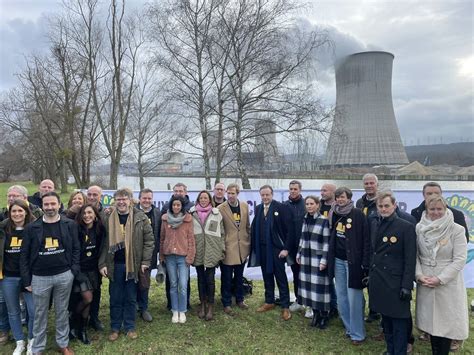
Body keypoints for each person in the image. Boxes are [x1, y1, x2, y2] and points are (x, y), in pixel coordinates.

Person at [20, 192, 80, 355]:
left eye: (53, 204)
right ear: (42, 206)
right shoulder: (32, 228)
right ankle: (38, 348)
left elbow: (76, 248)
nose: (50, 207)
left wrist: (72, 271)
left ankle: (62, 344)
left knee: (62, 311)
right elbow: (24, 255)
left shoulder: (70, 224)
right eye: (46, 204)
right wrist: (27, 280)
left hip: (64, 275)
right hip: (39, 277)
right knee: (40, 314)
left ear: (59, 205)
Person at [415, 195, 468, 355]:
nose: (436, 212)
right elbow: (415, 255)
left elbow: (459, 259)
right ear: (426, 210)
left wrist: (440, 278)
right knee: (431, 324)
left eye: (440, 209)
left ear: (445, 209)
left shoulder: (457, 230)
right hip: (426, 280)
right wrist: (419, 275)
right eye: (432, 209)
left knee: (445, 325)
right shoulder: (419, 228)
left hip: (447, 283)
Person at [99, 189, 154, 341]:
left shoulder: (140, 217)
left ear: (131, 200)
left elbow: (149, 241)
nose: (121, 202)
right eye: (118, 199)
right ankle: (115, 327)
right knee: (115, 298)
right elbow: (103, 243)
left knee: (130, 298)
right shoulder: (107, 216)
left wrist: (145, 262)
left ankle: (130, 326)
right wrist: (102, 263)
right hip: (114, 265)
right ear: (114, 201)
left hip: (133, 266)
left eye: (124, 199)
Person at [368, 191, 416, 355]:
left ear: (394, 205)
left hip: (396, 283)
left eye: (387, 205)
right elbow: (373, 252)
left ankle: (400, 352)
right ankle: (390, 350)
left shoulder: (406, 226)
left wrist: (407, 285)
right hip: (379, 280)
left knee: (399, 324)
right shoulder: (375, 223)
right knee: (386, 322)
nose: (383, 209)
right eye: (380, 206)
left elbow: (410, 259)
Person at [327, 187, 370, 345]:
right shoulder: (334, 212)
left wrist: (365, 262)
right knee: (342, 296)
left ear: (349, 198)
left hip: (353, 262)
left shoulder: (358, 214)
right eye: (337, 197)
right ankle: (349, 328)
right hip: (337, 260)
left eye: (342, 197)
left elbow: (366, 239)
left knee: (354, 298)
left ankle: (358, 334)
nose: (340, 199)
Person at [249, 185, 294, 321]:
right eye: (262, 195)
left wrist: (286, 248)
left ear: (272, 194)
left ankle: (285, 306)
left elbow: (289, 230)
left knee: (280, 277)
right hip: (262, 249)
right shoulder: (258, 208)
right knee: (267, 275)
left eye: (267, 195)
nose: (265, 197)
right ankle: (269, 301)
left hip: (277, 250)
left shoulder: (281, 208)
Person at [0, 199, 36, 355]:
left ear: (26, 212)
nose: (17, 214)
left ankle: (32, 341)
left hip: (29, 277)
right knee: (13, 311)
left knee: (33, 311)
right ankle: (19, 341)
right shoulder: (2, 229)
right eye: (14, 211)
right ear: (9, 213)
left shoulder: (34, 228)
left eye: (20, 211)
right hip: (9, 277)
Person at [70, 204, 105, 344]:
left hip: (94, 270)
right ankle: (72, 320)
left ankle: (82, 330)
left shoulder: (100, 229)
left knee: (89, 301)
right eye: (84, 213)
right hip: (80, 270)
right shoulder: (76, 229)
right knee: (87, 298)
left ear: (95, 214)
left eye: (90, 213)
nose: (87, 216)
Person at [296, 196, 331, 329]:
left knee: (320, 289)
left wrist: (324, 260)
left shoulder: (323, 221)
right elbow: (302, 238)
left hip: (318, 259)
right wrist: (299, 252)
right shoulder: (305, 219)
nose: (309, 206)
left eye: (312, 204)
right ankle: (315, 314)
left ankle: (324, 316)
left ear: (317, 205)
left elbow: (327, 243)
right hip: (306, 257)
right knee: (309, 288)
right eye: (307, 204)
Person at [159, 195, 195, 324]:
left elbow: (191, 239)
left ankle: (182, 310)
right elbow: (162, 238)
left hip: (183, 257)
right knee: (173, 284)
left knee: (183, 285)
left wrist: (190, 256)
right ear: (171, 206)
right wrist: (162, 255)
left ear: (182, 207)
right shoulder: (165, 219)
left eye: (178, 205)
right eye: (174, 205)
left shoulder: (188, 219)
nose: (176, 207)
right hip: (169, 257)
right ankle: (175, 310)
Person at [190, 191, 225, 321]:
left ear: (210, 199)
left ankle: (210, 305)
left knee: (210, 280)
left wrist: (222, 250)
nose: (203, 200)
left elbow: (222, 233)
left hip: (212, 250)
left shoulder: (216, 213)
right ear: (198, 200)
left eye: (206, 198)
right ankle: (202, 304)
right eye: (201, 198)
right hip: (198, 250)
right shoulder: (192, 213)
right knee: (200, 279)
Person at [218, 183, 251, 315]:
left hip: (241, 248)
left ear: (238, 193)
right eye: (229, 193)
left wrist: (248, 243)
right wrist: (221, 247)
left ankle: (240, 299)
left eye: (233, 193)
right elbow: (219, 230)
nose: (230, 196)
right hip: (227, 248)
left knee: (239, 276)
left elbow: (247, 226)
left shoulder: (244, 206)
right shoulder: (220, 208)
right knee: (226, 278)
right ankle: (226, 302)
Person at [355, 173, 380, 323]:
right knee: (362, 281)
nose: (369, 186)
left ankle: (376, 311)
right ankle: (366, 310)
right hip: (361, 246)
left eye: (372, 183)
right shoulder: (360, 202)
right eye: (366, 183)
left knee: (375, 283)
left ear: (377, 184)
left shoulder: (382, 202)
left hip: (376, 248)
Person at [135, 188, 161, 322]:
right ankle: (133, 306)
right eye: (144, 198)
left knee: (145, 282)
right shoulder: (133, 211)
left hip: (149, 254)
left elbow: (158, 235)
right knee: (133, 281)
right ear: (139, 198)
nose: (147, 201)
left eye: (149, 198)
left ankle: (144, 308)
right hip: (133, 254)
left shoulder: (156, 213)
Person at [283, 180, 307, 316]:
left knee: (308, 275)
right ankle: (299, 300)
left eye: (295, 189)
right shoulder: (284, 206)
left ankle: (310, 303)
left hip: (306, 247)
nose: (293, 191)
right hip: (292, 248)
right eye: (291, 189)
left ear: (300, 190)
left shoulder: (307, 204)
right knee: (296, 274)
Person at [85, 185, 104, 331]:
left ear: (100, 196)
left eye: (95, 195)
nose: (92, 197)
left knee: (96, 290)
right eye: (89, 194)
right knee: (83, 293)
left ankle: (94, 317)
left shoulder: (105, 213)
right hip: (82, 261)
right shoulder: (81, 211)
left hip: (98, 260)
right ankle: (81, 318)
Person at [319, 183, 338, 318]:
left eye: (325, 190)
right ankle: (324, 305)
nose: (322, 193)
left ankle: (335, 306)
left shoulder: (338, 208)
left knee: (332, 279)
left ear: (333, 192)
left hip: (334, 247)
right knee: (323, 278)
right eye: (321, 190)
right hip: (319, 247)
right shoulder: (318, 205)